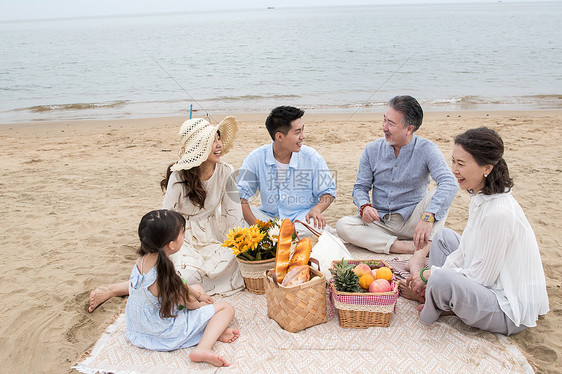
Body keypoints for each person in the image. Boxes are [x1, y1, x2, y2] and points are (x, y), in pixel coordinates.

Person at [89, 116, 244, 312]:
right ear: (199, 146)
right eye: (212, 140)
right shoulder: (179, 176)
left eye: (219, 138)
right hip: (179, 236)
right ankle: (116, 289)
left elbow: (233, 214)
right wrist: (166, 249)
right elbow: (166, 217)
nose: (219, 145)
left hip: (212, 234)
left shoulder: (226, 171)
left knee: (238, 263)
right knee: (183, 275)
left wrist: (237, 245)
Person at [408, 127, 549, 335]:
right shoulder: (481, 198)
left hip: (506, 308)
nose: (453, 169)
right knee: (443, 238)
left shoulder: (498, 212)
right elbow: (464, 252)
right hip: (487, 284)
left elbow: (481, 278)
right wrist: (432, 276)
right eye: (453, 161)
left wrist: (429, 275)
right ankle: (439, 298)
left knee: (439, 279)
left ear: (487, 168)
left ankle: (433, 309)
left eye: (461, 164)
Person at [336, 95, 457, 266]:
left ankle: (420, 240)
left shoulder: (427, 149)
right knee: (343, 225)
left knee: (441, 193)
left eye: (391, 124)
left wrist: (428, 217)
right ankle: (408, 247)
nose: (384, 127)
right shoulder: (371, 150)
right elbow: (360, 188)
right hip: (380, 222)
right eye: (384, 120)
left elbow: (449, 183)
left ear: (409, 129)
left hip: (414, 221)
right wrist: (364, 206)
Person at [125, 209, 238, 367]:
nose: (183, 237)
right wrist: (201, 305)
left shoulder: (143, 260)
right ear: (171, 245)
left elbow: (179, 284)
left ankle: (209, 331)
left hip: (140, 326)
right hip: (162, 331)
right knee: (226, 309)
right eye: (182, 235)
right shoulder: (163, 274)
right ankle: (203, 348)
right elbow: (187, 302)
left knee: (197, 288)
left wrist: (197, 294)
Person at [236, 106, 336, 234]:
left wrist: (316, 210)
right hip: (267, 217)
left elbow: (328, 192)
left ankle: (278, 236)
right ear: (280, 137)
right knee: (231, 216)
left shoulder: (312, 157)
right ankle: (276, 236)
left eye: (302, 130)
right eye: (297, 132)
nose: (303, 136)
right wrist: (258, 228)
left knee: (313, 227)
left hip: (300, 219)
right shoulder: (255, 158)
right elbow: (241, 197)